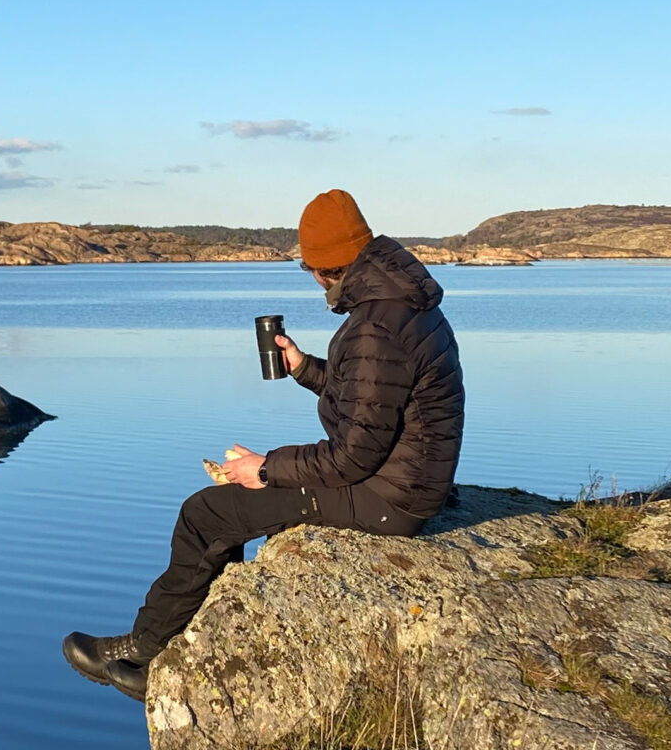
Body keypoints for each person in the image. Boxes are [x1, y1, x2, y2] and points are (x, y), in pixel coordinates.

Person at [62, 189, 465, 701]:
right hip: (408, 479)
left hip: (388, 498)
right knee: (228, 511)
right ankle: (186, 642)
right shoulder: (403, 304)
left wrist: (266, 469)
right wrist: (304, 368)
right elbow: (376, 401)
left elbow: (354, 455)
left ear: (323, 268)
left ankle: (141, 651)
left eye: (309, 268)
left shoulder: (374, 328)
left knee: (204, 513)